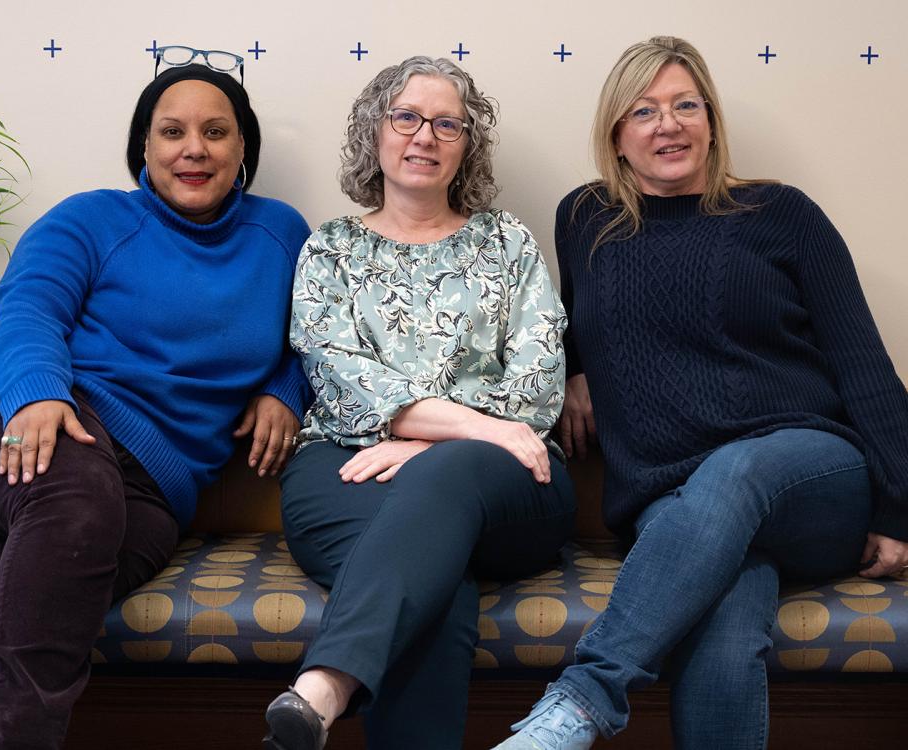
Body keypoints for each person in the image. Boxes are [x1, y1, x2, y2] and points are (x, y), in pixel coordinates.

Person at [494, 35, 908, 750]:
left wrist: (901, 508)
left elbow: (863, 365)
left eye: (687, 105)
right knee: (720, 633)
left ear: (712, 121)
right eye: (645, 111)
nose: (669, 124)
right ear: (616, 135)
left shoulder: (782, 214)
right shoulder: (585, 219)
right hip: (677, 504)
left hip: (810, 473)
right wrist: (572, 372)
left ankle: (579, 705)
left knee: (737, 466)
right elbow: (570, 319)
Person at [0, 49, 312, 750]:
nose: (194, 149)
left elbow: (319, 339)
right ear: (143, 147)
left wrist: (283, 391)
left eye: (216, 132)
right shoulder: (90, 219)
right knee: (70, 500)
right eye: (172, 131)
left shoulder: (283, 235)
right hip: (6, 416)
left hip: (153, 490)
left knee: (15, 571)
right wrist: (37, 396)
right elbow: (27, 310)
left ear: (243, 146)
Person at [261, 56, 577, 750]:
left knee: (446, 484)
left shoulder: (508, 242)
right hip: (342, 474)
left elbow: (537, 380)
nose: (423, 136)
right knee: (437, 580)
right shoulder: (332, 249)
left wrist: (426, 446)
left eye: (446, 124)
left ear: (468, 145)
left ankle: (326, 685)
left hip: (507, 481)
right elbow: (341, 378)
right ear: (375, 132)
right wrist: (462, 428)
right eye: (406, 117)